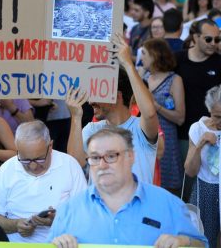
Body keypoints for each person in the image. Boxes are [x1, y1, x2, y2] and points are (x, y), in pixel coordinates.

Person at [48, 127, 208, 248]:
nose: (102, 165)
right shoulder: (69, 210)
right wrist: (56, 244)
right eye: (95, 158)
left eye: (111, 156)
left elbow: (201, 244)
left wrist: (184, 242)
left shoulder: (168, 204)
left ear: (131, 156)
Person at [67, 33, 159, 184]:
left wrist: (128, 64)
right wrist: (76, 117)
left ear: (116, 95)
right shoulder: (91, 129)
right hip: (99, 207)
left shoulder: (140, 129)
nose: (90, 101)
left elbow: (149, 113)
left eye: (96, 93)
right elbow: (75, 163)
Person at [0, 120, 87, 243]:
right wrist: (16, 225)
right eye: (25, 160)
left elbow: (84, 216)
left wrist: (57, 220)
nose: (33, 166)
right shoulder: (7, 169)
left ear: (50, 146)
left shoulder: (69, 165)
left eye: (39, 159)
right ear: (17, 150)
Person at [140, 38, 185, 193]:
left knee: (167, 187)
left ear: (155, 55)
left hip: (166, 140)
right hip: (145, 138)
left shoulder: (174, 80)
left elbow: (180, 118)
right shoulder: (142, 76)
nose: (141, 58)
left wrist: (156, 106)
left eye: (144, 53)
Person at [175, 19, 221, 158]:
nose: (213, 43)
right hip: (182, 134)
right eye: (208, 39)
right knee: (186, 176)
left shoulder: (219, 62)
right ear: (196, 37)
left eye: (217, 39)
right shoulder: (177, 59)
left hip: (213, 134)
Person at [185, 84, 221, 247]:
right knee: (202, 240)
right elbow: (190, 171)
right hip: (205, 189)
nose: (220, 122)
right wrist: (201, 144)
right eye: (217, 116)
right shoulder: (198, 129)